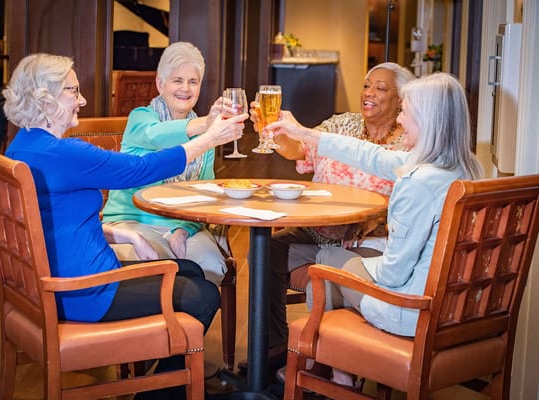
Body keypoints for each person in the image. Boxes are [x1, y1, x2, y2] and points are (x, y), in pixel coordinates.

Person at [2, 53, 248, 399]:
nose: (83, 99)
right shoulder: (65, 154)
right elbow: (139, 170)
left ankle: (161, 380)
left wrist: (120, 231)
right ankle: (158, 392)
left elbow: (48, 219)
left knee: (190, 269)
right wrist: (209, 139)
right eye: (73, 90)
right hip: (85, 292)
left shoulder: (22, 146)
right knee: (205, 295)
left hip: (48, 285)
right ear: (46, 98)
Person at [268, 72, 483, 386]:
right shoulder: (462, 168)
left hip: (409, 310)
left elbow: (393, 276)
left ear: (427, 121)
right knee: (344, 260)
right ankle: (335, 368)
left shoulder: (418, 182)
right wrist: (302, 132)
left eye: (406, 111)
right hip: (452, 304)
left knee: (327, 263)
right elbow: (371, 155)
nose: (401, 119)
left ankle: (324, 365)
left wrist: (362, 260)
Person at [243, 62, 415, 373]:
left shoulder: (408, 143)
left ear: (401, 100)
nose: (369, 93)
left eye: (381, 88)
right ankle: (273, 348)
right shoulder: (342, 125)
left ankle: (328, 362)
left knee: (323, 278)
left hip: (370, 244)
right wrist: (270, 131)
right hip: (317, 232)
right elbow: (298, 149)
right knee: (263, 253)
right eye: (366, 85)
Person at [102, 42, 230, 286]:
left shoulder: (207, 138)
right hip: (133, 220)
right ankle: (166, 323)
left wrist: (181, 231)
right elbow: (157, 135)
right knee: (160, 268)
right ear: (161, 84)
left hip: (184, 226)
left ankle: (186, 324)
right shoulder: (141, 118)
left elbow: (205, 195)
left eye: (193, 81)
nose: (185, 88)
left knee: (212, 265)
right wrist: (207, 127)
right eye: (177, 80)